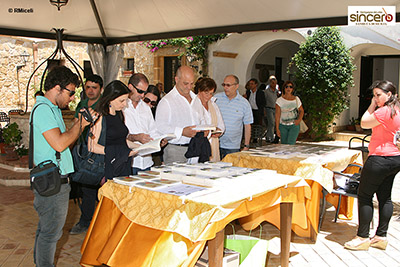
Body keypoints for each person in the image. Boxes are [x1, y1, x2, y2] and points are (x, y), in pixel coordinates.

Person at [30, 66, 95, 266]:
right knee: (51, 234)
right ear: (57, 88)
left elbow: (64, 144)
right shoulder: (43, 110)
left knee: (46, 230)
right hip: (52, 181)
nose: (72, 98)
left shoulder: (53, 109)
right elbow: (59, 143)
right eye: (71, 92)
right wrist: (80, 125)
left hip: (56, 180)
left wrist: (78, 126)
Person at [344, 80, 400, 251]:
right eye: (374, 95)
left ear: (389, 95)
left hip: (379, 159)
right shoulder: (397, 110)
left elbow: (364, 123)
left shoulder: (384, 111)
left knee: (365, 195)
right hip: (394, 158)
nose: (375, 98)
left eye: (378, 95)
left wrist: (371, 106)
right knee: (385, 197)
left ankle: (362, 237)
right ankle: (381, 236)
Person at [70, 74, 103, 235]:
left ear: (101, 89)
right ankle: (85, 221)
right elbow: (76, 123)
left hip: (101, 150)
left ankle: (101, 223)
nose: (90, 91)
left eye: (94, 87)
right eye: (88, 87)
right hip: (84, 148)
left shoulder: (103, 105)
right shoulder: (81, 104)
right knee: (86, 185)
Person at [90, 80, 139, 180]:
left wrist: (142, 147)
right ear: (110, 99)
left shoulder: (119, 114)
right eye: (121, 101)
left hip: (123, 163)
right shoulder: (99, 117)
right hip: (108, 165)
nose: (125, 104)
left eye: (126, 100)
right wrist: (120, 153)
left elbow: (120, 140)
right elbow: (92, 146)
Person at [155, 66, 203, 164]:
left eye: (191, 84)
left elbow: (202, 119)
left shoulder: (196, 99)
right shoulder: (167, 101)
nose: (189, 87)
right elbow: (160, 127)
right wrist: (181, 132)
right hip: (176, 150)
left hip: (196, 148)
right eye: (185, 83)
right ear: (176, 79)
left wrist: (205, 130)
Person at [124, 73, 165, 174]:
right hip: (129, 162)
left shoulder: (146, 108)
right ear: (130, 87)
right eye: (140, 91)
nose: (142, 95)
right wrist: (135, 137)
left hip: (147, 162)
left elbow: (153, 131)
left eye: (144, 92)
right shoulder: (122, 106)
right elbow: (116, 136)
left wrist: (159, 140)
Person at [215, 75, 253, 159]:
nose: (225, 87)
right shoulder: (216, 98)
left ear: (236, 86)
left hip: (233, 146)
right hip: (216, 143)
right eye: (224, 85)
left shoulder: (244, 103)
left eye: (228, 85)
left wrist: (246, 145)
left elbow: (247, 125)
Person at [193, 77, 225, 162]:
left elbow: (221, 124)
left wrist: (219, 131)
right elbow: (194, 126)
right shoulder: (193, 105)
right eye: (206, 93)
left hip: (213, 144)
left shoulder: (214, 105)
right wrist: (210, 132)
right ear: (199, 90)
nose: (209, 96)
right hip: (199, 145)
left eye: (211, 93)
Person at [275, 81, 304, 145]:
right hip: (283, 126)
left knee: (291, 143)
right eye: (287, 87)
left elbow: (301, 110)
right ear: (284, 88)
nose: (288, 88)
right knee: (284, 144)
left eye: (290, 87)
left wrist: (299, 120)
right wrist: (277, 128)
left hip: (294, 125)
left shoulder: (296, 99)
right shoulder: (279, 100)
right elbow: (277, 115)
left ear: (292, 89)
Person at [264, 75, 279, 142]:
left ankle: (268, 136)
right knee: (272, 123)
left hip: (275, 109)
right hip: (269, 108)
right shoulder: (266, 92)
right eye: (272, 83)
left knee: (273, 123)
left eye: (275, 83)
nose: (274, 84)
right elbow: (264, 100)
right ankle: (271, 137)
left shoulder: (276, 91)